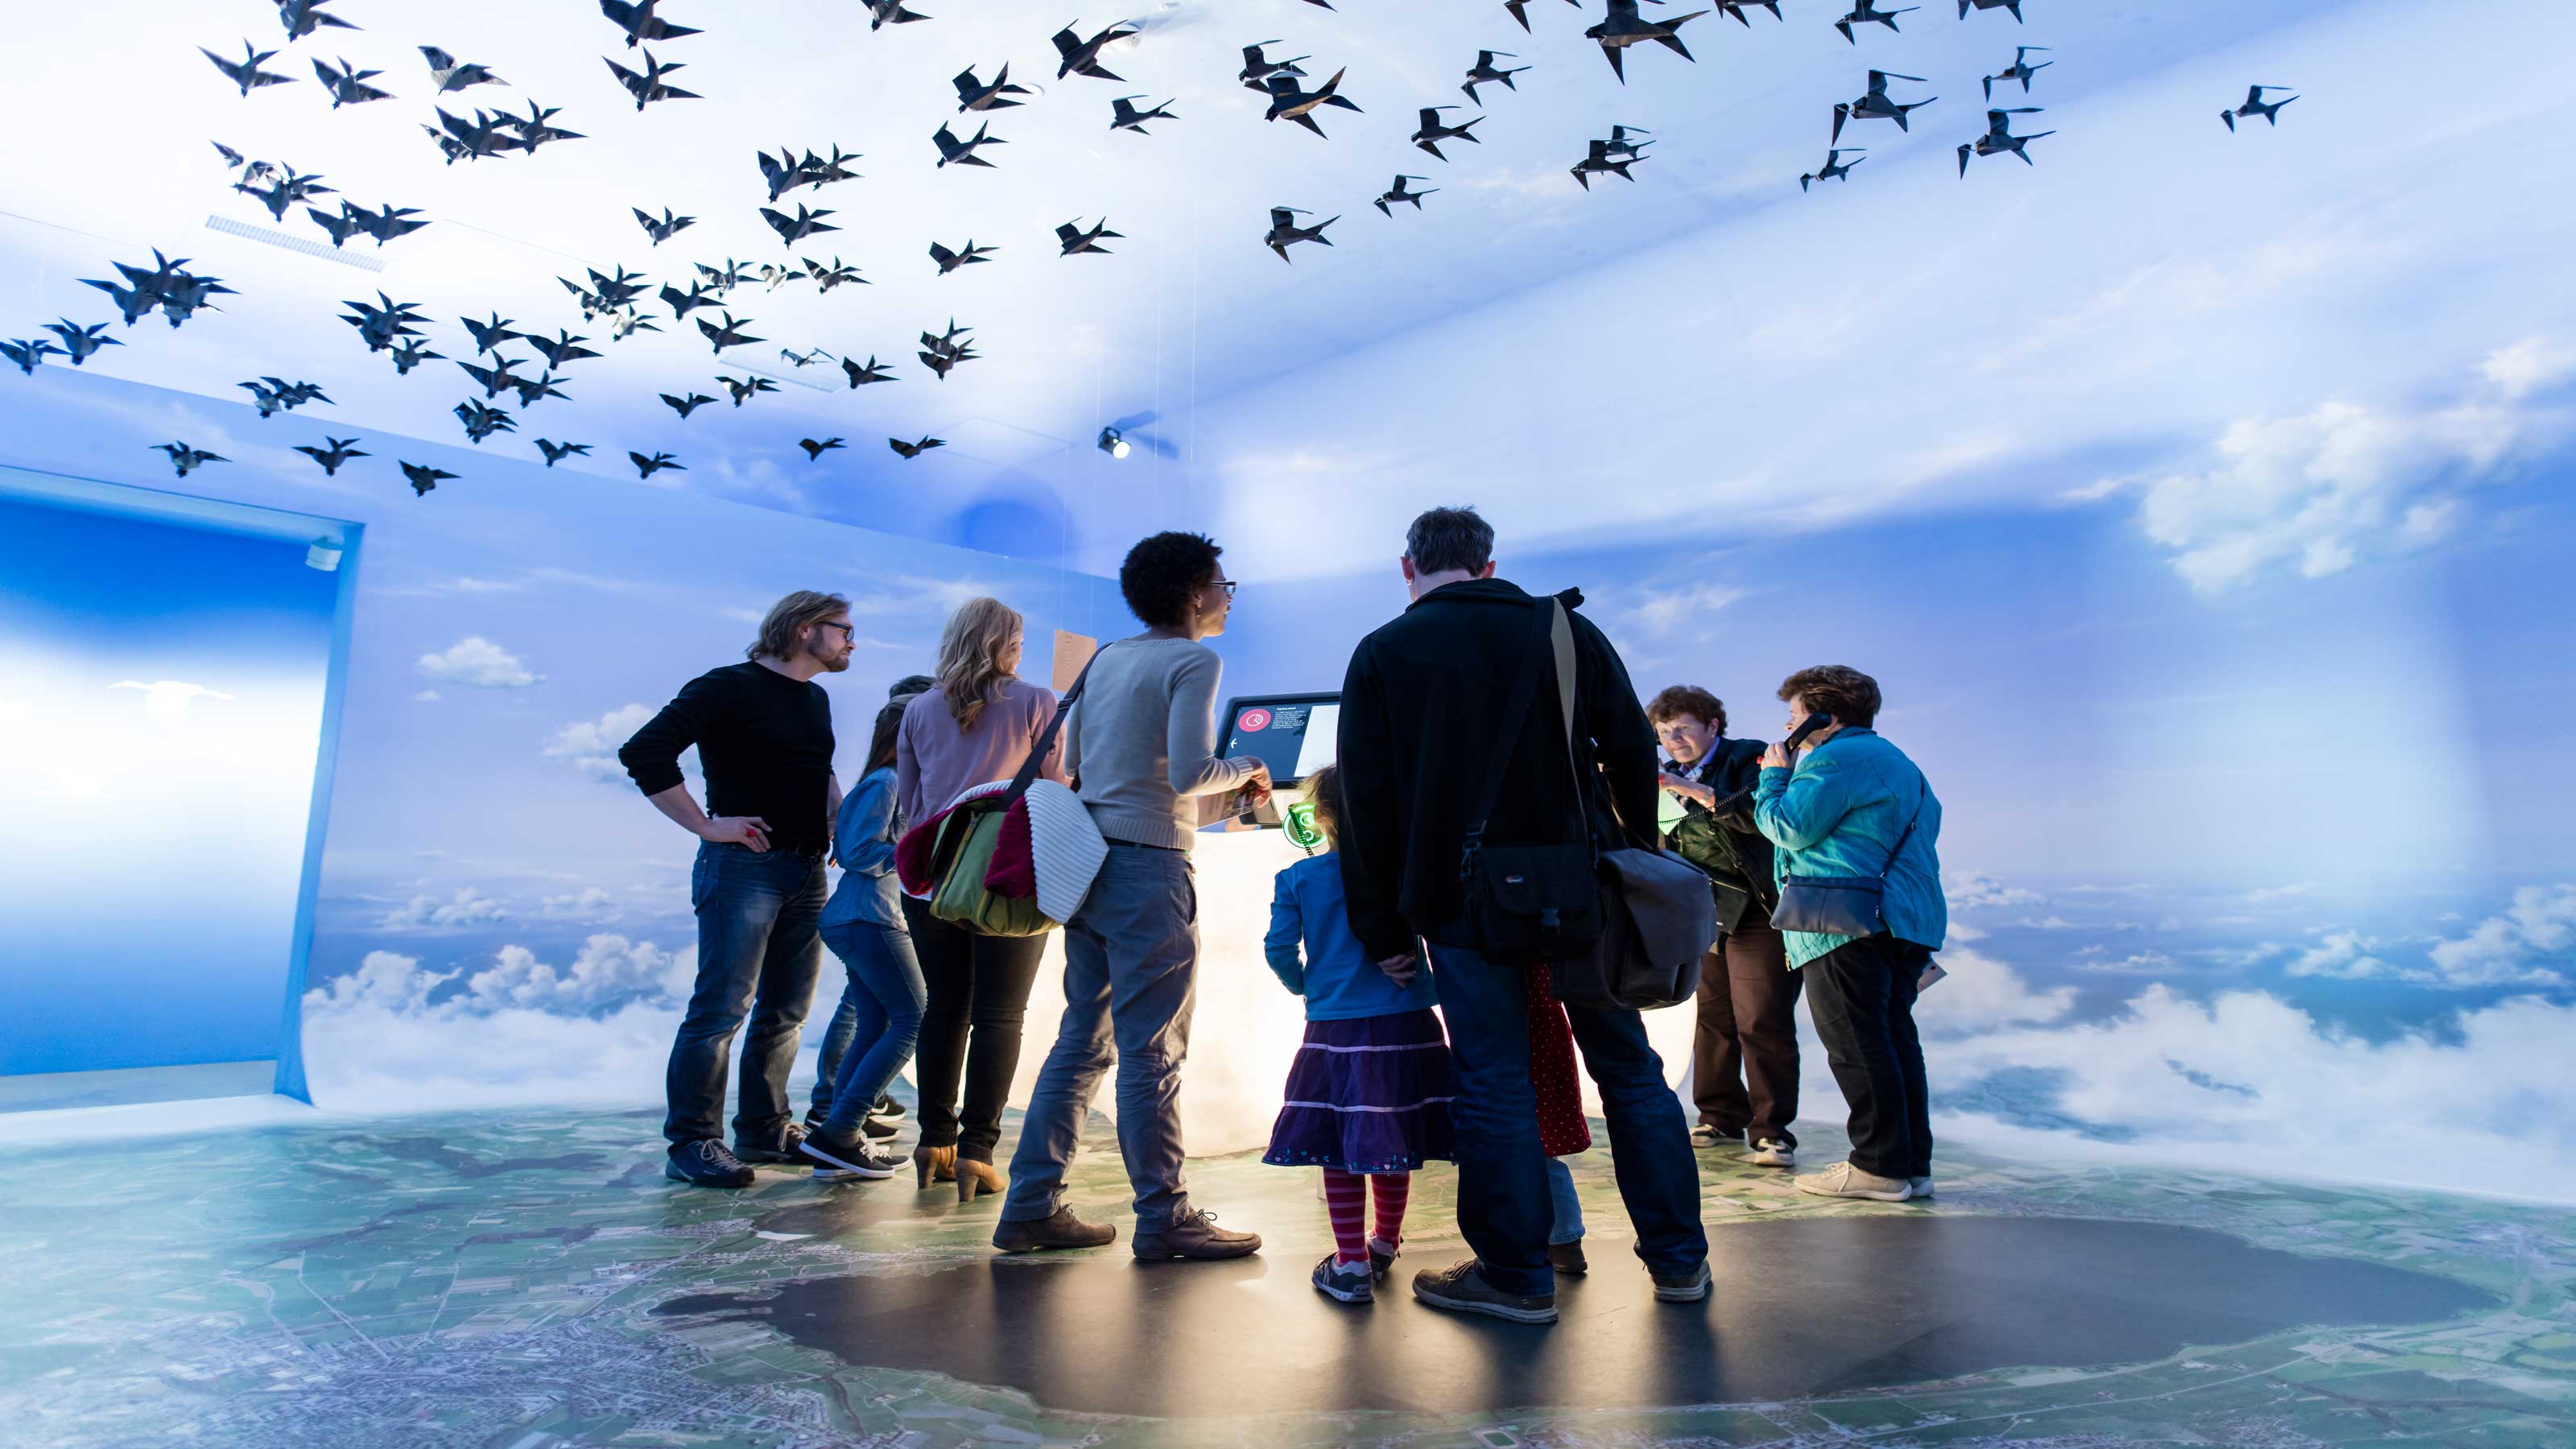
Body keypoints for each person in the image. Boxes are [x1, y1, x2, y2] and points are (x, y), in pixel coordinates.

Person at [1336, 506, 1710, 1324]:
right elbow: (1628, 749)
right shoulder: (1562, 629)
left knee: (1493, 1081)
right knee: (1629, 1072)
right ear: (1488, 563)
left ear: (1408, 567)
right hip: (1581, 887)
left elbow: (1366, 802)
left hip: (1459, 897)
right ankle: (1679, 1264)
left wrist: (1382, 926)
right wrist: (1630, 856)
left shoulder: (1383, 652)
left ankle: (1515, 1277)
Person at [994, 530, 1270, 1261]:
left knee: (1082, 1041)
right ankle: (1165, 1216)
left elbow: (1079, 765)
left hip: (1089, 864)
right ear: (1193, 593)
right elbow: (1188, 773)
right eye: (1221, 582)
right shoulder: (1194, 660)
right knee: (1154, 1050)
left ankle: (1031, 1207)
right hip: (1151, 873)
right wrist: (1247, 766)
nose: (1226, 595)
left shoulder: (1108, 658)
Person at [620, 591, 852, 1189]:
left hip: (807, 871)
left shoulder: (816, 697)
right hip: (743, 868)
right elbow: (643, 750)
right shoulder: (725, 686)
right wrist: (703, 824)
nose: (852, 640)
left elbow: (817, 766)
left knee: (787, 1012)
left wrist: (836, 815)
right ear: (805, 630)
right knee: (721, 1010)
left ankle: (765, 1131)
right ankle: (694, 1143)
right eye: (843, 629)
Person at [1256, 764, 1455, 1305]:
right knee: (1394, 1139)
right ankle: (1386, 1242)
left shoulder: (1298, 878)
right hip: (1410, 1023)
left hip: (1336, 1031)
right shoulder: (1406, 871)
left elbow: (1278, 949)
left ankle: (1349, 1265)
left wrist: (1308, 985)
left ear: (1320, 817)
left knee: (1341, 1146)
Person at [1752, 665, 1946, 1203]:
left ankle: (1877, 1168)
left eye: (1792, 714)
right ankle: (1911, 1166)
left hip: (1845, 920)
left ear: (1823, 714)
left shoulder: (1837, 756)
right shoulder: (1900, 762)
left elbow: (1789, 827)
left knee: (1857, 1047)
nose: (1787, 725)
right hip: (1905, 920)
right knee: (1893, 1043)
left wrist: (1774, 776)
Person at [895, 599, 1067, 1200]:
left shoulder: (916, 708)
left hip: (934, 877)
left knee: (944, 1008)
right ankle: (978, 1152)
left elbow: (913, 807)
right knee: (1000, 1015)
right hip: (1006, 875)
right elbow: (1054, 793)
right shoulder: (1035, 701)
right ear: (1007, 645)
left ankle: (932, 1141)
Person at [1649, 685, 1799, 1168]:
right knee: (1713, 1018)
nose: (1673, 739)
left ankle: (1773, 1131)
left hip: (1761, 911)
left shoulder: (1752, 759)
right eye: (1664, 733)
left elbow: (1770, 822)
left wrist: (1694, 792)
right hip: (1704, 914)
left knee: (1762, 1018)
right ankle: (1718, 1116)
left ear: (1713, 726)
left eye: (1683, 729)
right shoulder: (1660, 776)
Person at [806, 673, 935, 1138]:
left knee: (875, 1020)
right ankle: (840, 1126)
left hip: (872, 917)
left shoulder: (899, 783)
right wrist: (923, 858)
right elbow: (858, 851)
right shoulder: (885, 783)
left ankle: (841, 1126)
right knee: (913, 1018)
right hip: (868, 918)